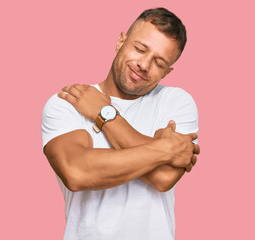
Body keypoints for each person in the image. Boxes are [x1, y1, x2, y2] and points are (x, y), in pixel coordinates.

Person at [42, 7, 200, 240]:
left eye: (158, 62)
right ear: (120, 41)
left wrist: (103, 113)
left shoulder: (176, 102)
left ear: (167, 72)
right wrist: (166, 149)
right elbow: (77, 172)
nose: (144, 65)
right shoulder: (69, 101)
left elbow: (163, 177)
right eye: (139, 49)